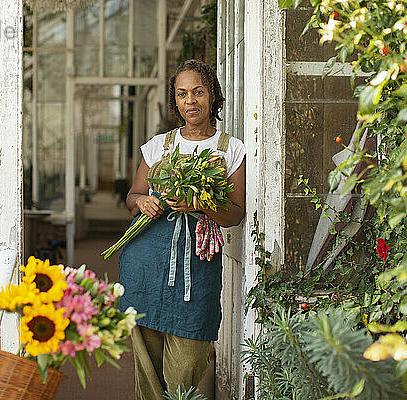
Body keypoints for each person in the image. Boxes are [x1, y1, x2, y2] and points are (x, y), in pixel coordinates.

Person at [118, 59, 246, 400]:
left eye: (198, 92)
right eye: (182, 94)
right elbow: (132, 197)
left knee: (187, 366)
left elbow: (234, 213)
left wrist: (198, 204)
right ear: (175, 101)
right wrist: (142, 203)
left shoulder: (230, 149)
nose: (191, 101)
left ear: (213, 96)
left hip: (197, 270)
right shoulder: (158, 146)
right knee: (147, 370)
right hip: (145, 264)